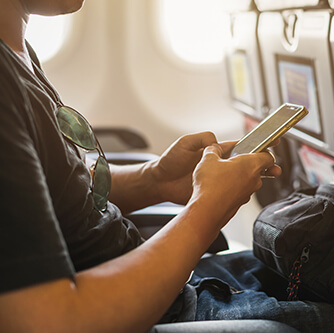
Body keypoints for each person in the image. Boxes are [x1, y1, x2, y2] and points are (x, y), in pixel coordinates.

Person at [0, 0, 284, 331]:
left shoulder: (17, 51)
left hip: (156, 285)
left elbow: (56, 189)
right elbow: (49, 322)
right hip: (146, 311)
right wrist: (207, 210)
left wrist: (155, 180)